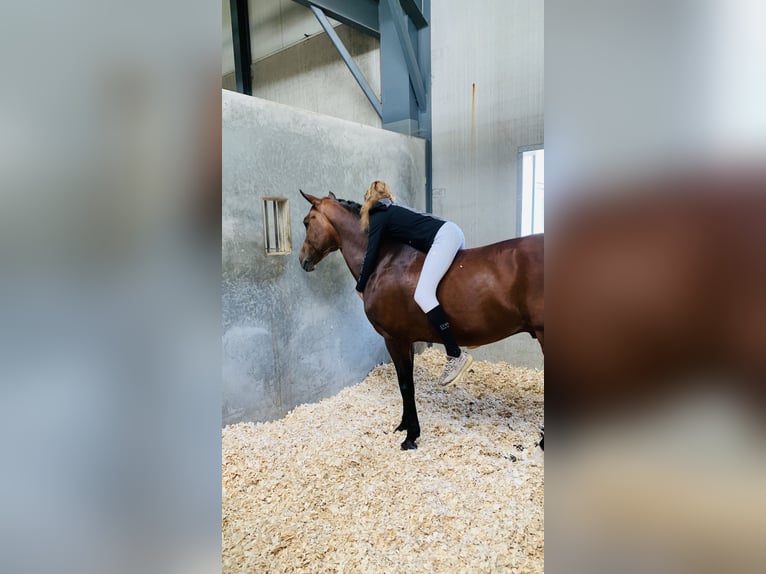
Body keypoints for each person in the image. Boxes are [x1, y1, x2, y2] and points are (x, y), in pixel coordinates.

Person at [355, 180, 473, 386]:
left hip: (443, 238)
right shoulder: (393, 209)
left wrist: (360, 285)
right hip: (452, 232)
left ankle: (455, 355)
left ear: (368, 199)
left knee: (423, 294)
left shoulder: (378, 214)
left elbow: (371, 252)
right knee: (441, 291)